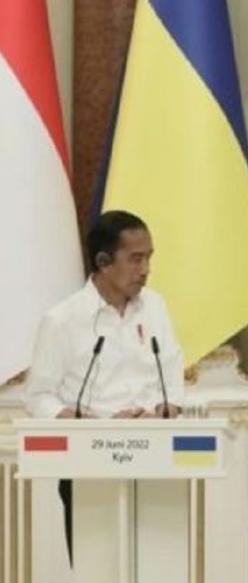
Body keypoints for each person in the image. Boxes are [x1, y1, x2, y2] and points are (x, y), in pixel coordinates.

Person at [26, 209, 184, 560]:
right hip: (89, 462)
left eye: (149, 258)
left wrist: (165, 409)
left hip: (155, 459)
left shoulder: (156, 308)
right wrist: (81, 422)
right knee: (96, 572)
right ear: (103, 262)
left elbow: (173, 379)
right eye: (135, 259)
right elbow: (39, 396)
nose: (145, 270)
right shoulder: (62, 320)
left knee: (157, 567)